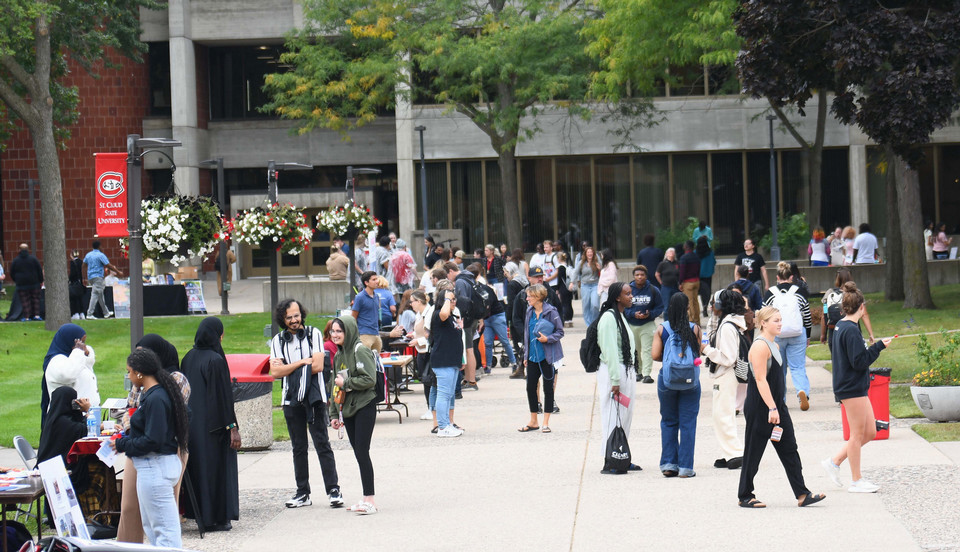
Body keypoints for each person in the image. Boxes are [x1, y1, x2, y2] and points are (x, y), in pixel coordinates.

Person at [737, 307, 826, 509]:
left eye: (780, 320)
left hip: (777, 406)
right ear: (763, 323)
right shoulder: (760, 347)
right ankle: (745, 495)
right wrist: (772, 408)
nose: (780, 323)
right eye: (775, 320)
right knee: (754, 451)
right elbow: (760, 380)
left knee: (789, 448)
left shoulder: (774, 345)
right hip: (762, 408)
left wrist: (778, 407)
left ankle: (802, 494)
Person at [110, 349, 190, 547]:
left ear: (139, 373)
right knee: (154, 528)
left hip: (155, 467)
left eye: (129, 372)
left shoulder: (156, 398)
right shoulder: (155, 395)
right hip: (153, 467)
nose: (128, 376)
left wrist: (122, 444)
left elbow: (153, 440)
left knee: (165, 531)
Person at [269, 299, 342, 509]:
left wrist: (288, 367)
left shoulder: (314, 334)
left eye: (296, 315)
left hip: (315, 398)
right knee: (298, 447)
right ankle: (303, 493)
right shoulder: (277, 341)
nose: (294, 320)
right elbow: (275, 373)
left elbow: (318, 365)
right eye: (289, 317)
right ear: (283, 319)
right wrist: (302, 362)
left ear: (302, 314)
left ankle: (333, 490)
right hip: (290, 399)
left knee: (322, 444)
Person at [822, 282, 891, 493]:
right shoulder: (849, 329)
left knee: (870, 431)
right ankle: (856, 480)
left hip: (853, 386)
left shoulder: (844, 326)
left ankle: (834, 462)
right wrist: (878, 346)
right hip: (850, 388)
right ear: (861, 307)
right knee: (857, 434)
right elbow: (859, 361)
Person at [181, 317, 240, 532]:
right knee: (216, 472)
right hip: (214, 427)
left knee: (198, 470)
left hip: (192, 425)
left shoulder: (188, 358)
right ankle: (218, 517)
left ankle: (200, 515)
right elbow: (223, 397)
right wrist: (232, 427)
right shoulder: (215, 360)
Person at [652, 293, 702, 478]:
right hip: (690, 382)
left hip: (667, 381)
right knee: (688, 423)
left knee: (668, 421)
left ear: (670, 309)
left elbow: (655, 355)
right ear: (687, 308)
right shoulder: (695, 329)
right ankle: (686, 468)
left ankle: (668, 464)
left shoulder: (661, 329)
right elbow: (698, 355)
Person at [701, 290, 747, 471]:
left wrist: (705, 349)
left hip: (726, 373)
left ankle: (734, 453)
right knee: (723, 414)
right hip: (728, 374)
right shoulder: (731, 322)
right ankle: (729, 451)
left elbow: (728, 358)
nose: (712, 307)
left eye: (715, 303)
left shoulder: (727, 326)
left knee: (723, 415)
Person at [597, 282, 640, 473]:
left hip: (626, 370)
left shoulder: (621, 316)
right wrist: (615, 380)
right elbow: (610, 351)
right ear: (617, 297)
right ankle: (609, 459)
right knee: (611, 416)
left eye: (631, 293)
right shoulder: (608, 318)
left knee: (624, 416)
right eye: (627, 294)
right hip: (614, 373)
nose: (631, 297)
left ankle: (621, 454)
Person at [763, 262, 813, 411]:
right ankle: (802, 391)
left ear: (777, 277)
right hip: (798, 334)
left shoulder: (770, 293)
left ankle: (780, 399)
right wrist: (808, 335)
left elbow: (763, 314)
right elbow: (807, 316)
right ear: (791, 277)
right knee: (798, 367)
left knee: (780, 369)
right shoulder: (800, 291)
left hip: (777, 334)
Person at [519, 284, 564, 433]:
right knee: (530, 387)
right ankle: (533, 421)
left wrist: (548, 339)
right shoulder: (529, 311)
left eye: (530, 296)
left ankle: (546, 422)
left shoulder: (551, 312)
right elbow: (527, 334)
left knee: (548, 388)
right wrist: (525, 355)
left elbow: (560, 332)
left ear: (538, 297)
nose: (527, 298)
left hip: (547, 356)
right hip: (532, 356)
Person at [429, 282, 465, 437]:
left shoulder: (451, 317)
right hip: (443, 361)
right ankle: (442, 427)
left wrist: (461, 360)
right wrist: (446, 299)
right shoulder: (439, 314)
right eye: (450, 299)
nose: (453, 302)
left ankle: (448, 424)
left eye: (454, 299)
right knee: (443, 394)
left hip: (452, 361)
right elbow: (443, 314)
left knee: (449, 394)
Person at [44, 324, 99, 424]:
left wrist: (86, 353)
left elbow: (87, 365)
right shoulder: (56, 361)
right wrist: (77, 351)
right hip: (68, 420)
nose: (83, 346)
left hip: (85, 418)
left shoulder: (75, 359)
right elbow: (69, 375)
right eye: (80, 342)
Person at [625, 265, 663, 385]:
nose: (639, 277)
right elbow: (623, 307)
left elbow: (660, 307)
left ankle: (647, 374)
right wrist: (632, 314)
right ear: (634, 276)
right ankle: (638, 372)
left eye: (642, 275)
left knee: (647, 350)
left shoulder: (653, 290)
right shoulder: (628, 290)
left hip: (648, 324)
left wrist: (650, 314)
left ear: (646, 276)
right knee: (635, 350)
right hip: (632, 324)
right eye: (637, 275)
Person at [822, 268, 876, 348]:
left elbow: (824, 314)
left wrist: (823, 334)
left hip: (834, 332)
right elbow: (864, 314)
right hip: (853, 330)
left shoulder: (829, 293)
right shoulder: (856, 293)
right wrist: (871, 334)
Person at [447, 261, 480, 390]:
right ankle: (467, 379)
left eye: (447, 275)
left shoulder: (460, 281)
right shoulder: (469, 277)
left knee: (468, 349)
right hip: (473, 318)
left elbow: (462, 301)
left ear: (450, 271)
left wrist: (459, 317)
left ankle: (471, 381)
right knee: (468, 348)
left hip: (466, 319)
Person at [83, 240, 122, 319]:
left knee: (100, 295)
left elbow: (83, 265)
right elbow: (108, 265)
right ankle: (89, 313)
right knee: (95, 294)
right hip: (98, 277)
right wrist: (118, 271)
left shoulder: (88, 255)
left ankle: (106, 312)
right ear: (99, 246)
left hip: (91, 277)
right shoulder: (101, 255)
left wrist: (84, 277)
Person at [352, 271, 384, 353]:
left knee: (376, 361)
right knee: (365, 361)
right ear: (366, 282)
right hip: (364, 334)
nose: (377, 281)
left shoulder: (376, 296)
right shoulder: (359, 297)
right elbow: (353, 317)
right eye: (373, 280)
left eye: (377, 279)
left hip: (376, 334)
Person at [10, 244, 44, 321]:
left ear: (19, 250)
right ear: (28, 249)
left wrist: (16, 280)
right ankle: (37, 315)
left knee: (25, 300)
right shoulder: (33, 259)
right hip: (34, 283)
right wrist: (41, 280)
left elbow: (12, 272)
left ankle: (27, 317)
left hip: (21, 284)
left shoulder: (16, 260)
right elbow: (39, 270)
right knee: (36, 299)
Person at [572, 245, 601, 327]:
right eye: (588, 252)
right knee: (586, 305)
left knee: (595, 304)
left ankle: (595, 322)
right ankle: (589, 325)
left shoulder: (597, 261)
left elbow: (603, 270)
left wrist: (599, 268)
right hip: (585, 285)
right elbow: (576, 272)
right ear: (585, 254)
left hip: (595, 284)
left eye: (591, 252)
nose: (590, 254)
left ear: (593, 253)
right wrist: (572, 282)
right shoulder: (582, 263)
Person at [678, 240, 701, 325]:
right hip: (696, 281)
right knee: (695, 301)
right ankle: (697, 320)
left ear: (686, 247)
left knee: (689, 302)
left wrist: (680, 282)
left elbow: (682, 271)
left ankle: (691, 321)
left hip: (688, 282)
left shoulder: (684, 257)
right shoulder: (696, 256)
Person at [696, 236, 715, 318]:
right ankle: (705, 305)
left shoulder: (695, 252)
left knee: (697, 292)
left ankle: (698, 307)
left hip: (697, 275)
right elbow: (713, 262)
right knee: (707, 292)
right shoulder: (710, 253)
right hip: (707, 275)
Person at [555, 251, 574, 326]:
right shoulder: (568, 266)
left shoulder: (561, 268)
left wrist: (557, 288)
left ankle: (565, 319)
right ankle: (570, 319)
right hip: (569, 286)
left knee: (564, 304)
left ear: (559, 258)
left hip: (563, 287)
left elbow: (559, 279)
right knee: (569, 303)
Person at [69, 250, 85, 319]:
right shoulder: (81, 262)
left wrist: (69, 280)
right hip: (80, 283)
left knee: (74, 299)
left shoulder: (73, 263)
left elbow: (72, 274)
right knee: (80, 299)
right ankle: (82, 313)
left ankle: (75, 313)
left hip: (74, 283)